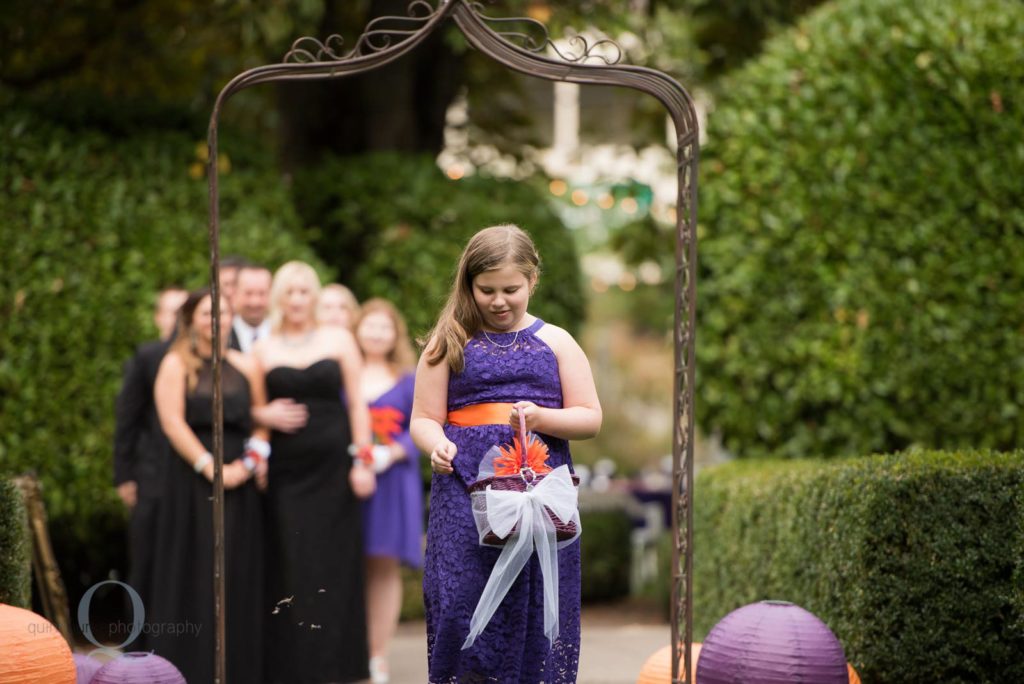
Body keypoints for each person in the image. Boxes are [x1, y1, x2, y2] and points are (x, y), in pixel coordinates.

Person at [411, 224, 602, 683]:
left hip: (535, 488)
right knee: (461, 600)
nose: (499, 301)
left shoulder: (557, 342)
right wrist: (436, 444)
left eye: (511, 289)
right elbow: (422, 417)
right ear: (469, 285)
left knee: (529, 602)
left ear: (532, 281)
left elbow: (590, 417)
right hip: (465, 488)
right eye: (487, 290)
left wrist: (541, 419)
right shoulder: (448, 341)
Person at [253, 260, 376, 684]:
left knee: (335, 563)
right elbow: (255, 414)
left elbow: (358, 403)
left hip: (334, 469)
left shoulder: (339, 339)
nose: (298, 300)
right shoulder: (263, 348)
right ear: (279, 299)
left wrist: (363, 460)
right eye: (290, 292)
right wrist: (261, 441)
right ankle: (293, 666)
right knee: (292, 561)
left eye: (305, 291)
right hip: (287, 473)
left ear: (315, 296)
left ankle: (340, 666)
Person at [150, 288, 267, 683]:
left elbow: (259, 422)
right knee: (196, 569)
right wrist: (212, 468)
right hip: (192, 483)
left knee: (236, 569)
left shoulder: (245, 365)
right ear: (191, 320)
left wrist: (247, 465)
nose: (214, 320)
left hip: (241, 481)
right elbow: (172, 423)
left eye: (222, 312)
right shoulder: (175, 364)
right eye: (206, 313)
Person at [112, 285, 186, 643]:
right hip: (150, 477)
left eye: (181, 311)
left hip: (185, 479)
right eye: (169, 312)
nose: (174, 319)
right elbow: (127, 419)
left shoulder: (201, 358)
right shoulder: (146, 357)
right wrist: (124, 475)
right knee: (144, 565)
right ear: (158, 317)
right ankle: (137, 649)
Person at [355, 298, 423, 684]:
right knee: (348, 566)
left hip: (392, 481)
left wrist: (391, 451)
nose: (377, 334)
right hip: (349, 478)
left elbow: (425, 425)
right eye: (370, 325)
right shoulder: (344, 374)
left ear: (395, 333)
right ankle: (348, 651)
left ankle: (377, 655)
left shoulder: (408, 379)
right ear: (357, 329)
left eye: (385, 327)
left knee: (383, 566)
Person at [230, 263, 272, 352]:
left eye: (262, 293)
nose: (255, 302)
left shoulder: (283, 333)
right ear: (234, 294)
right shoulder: (222, 335)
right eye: (248, 293)